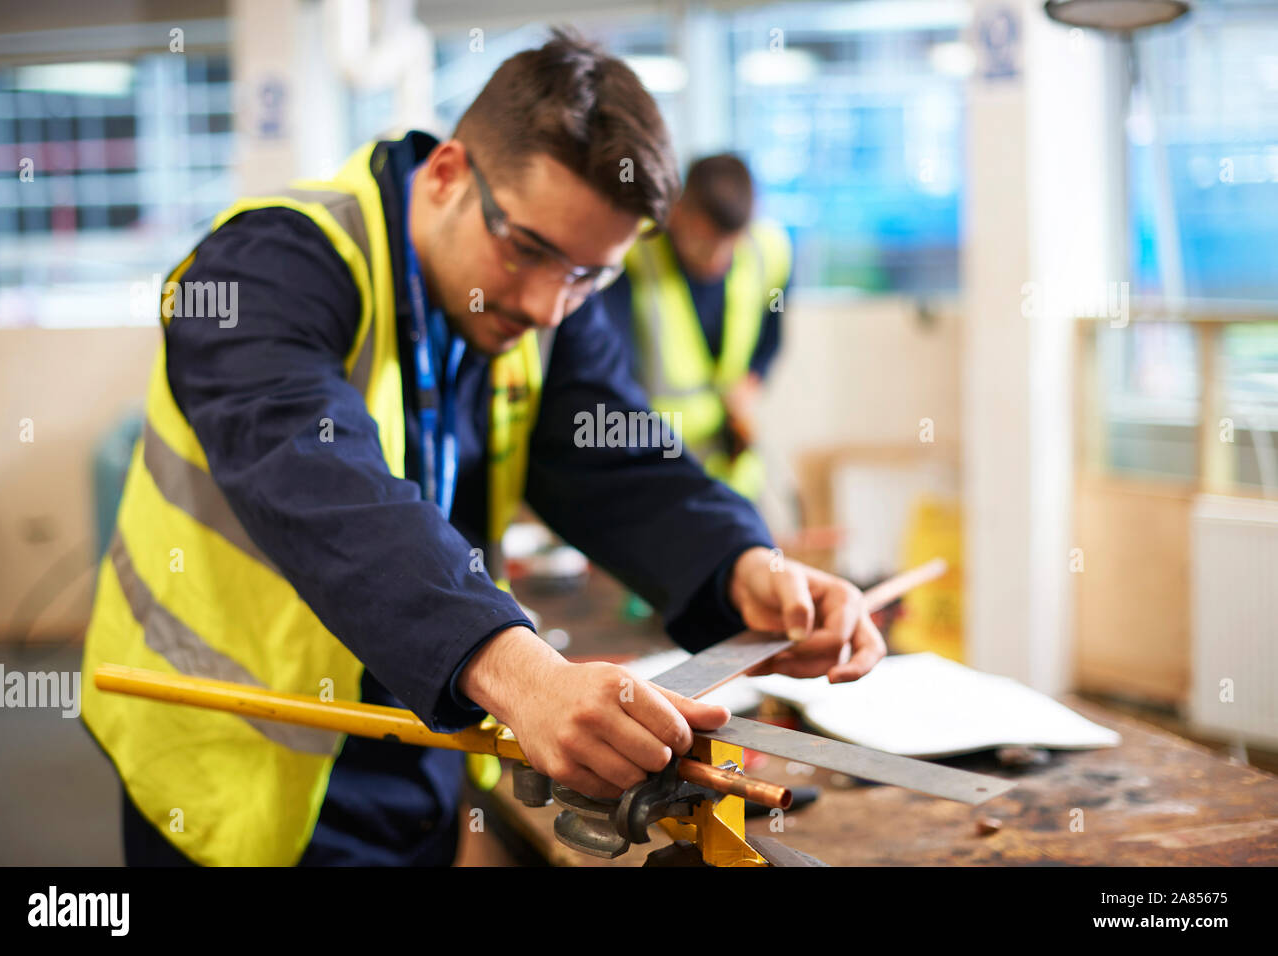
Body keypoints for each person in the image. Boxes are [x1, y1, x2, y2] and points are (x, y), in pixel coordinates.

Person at [80, 29, 883, 867]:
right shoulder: (259, 272)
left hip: (426, 716)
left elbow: (616, 454)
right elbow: (327, 490)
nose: (547, 305)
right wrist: (524, 676)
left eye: (589, 276)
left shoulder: (547, 295)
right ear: (447, 174)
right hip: (226, 752)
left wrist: (741, 567)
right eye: (527, 249)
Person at [603, 154, 791, 501]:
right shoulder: (632, 256)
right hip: (657, 471)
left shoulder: (769, 250)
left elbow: (771, 337)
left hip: (735, 475)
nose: (717, 260)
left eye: (730, 246)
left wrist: (749, 387)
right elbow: (613, 373)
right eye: (705, 243)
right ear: (677, 213)